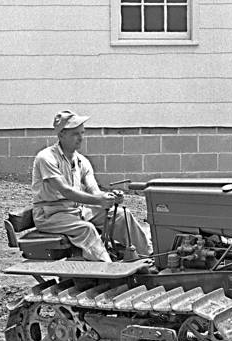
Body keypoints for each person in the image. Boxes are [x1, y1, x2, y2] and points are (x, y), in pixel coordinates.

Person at [32, 109, 152, 263]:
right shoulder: (46, 158)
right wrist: (99, 200)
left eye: (82, 133)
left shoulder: (81, 160)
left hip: (75, 210)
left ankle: (148, 257)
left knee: (122, 215)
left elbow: (94, 190)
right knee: (87, 229)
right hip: (50, 214)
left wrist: (109, 197)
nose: (81, 138)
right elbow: (66, 191)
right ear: (61, 135)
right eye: (75, 134)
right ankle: (106, 269)